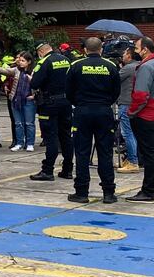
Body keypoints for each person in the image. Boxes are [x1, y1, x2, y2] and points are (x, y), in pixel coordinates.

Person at [66, 37, 121, 203]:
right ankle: (108, 193)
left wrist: (80, 104)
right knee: (105, 153)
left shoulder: (75, 66)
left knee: (82, 153)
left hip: (82, 112)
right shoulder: (111, 66)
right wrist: (104, 103)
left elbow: (68, 92)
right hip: (104, 112)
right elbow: (116, 91)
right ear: (101, 49)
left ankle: (82, 192)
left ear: (85, 50)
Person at [126, 37, 154, 202]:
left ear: (145, 49)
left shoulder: (146, 67)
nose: (135, 51)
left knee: (150, 155)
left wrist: (132, 112)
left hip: (146, 116)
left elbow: (140, 95)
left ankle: (148, 191)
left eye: (137, 48)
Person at [28, 41, 73, 182]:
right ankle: (68, 169)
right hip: (66, 102)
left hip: (49, 104)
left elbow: (34, 83)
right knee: (66, 135)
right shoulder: (66, 60)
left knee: (50, 137)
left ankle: (47, 170)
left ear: (40, 52)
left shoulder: (44, 62)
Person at [116, 45, 141, 174]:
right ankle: (133, 159)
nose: (122, 56)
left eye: (124, 54)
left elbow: (114, 80)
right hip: (136, 104)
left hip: (125, 103)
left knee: (127, 133)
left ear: (129, 55)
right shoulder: (140, 66)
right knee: (134, 133)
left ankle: (132, 161)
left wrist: (119, 69)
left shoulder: (128, 68)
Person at [9, 52, 36, 152]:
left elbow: (39, 84)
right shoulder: (16, 70)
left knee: (29, 123)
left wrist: (33, 95)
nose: (20, 63)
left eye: (23, 61)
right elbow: (4, 70)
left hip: (28, 100)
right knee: (18, 123)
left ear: (29, 62)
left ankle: (30, 143)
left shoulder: (33, 71)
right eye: (19, 60)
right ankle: (19, 143)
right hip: (16, 100)